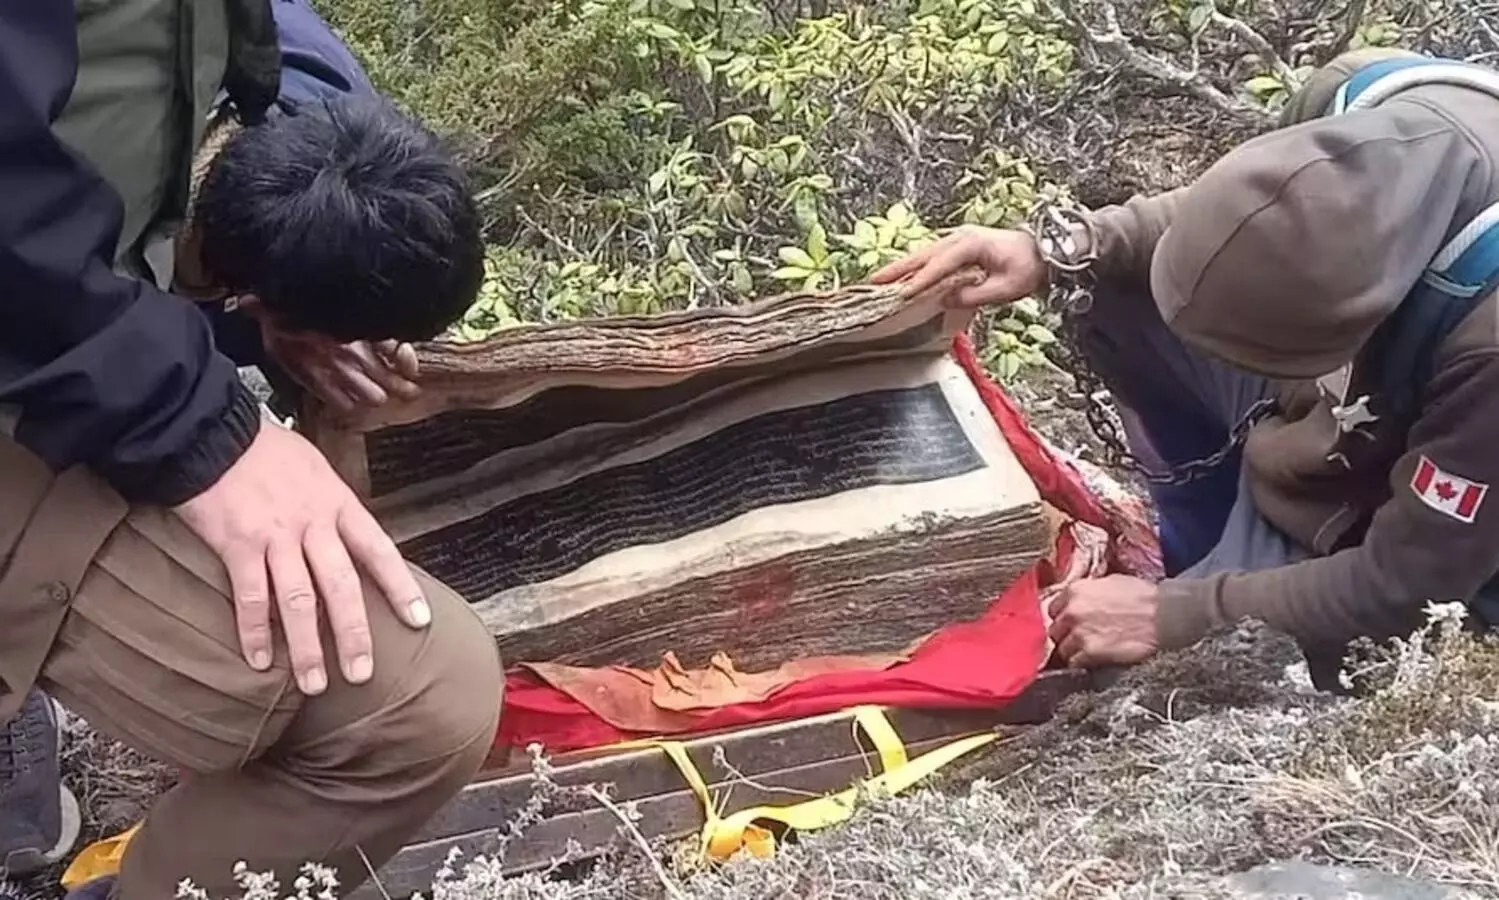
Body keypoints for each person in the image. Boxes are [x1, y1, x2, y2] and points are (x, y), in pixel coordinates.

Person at [0, 2, 502, 898]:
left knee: (421, 700)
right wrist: (201, 423)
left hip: (97, 322)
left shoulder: (316, 115)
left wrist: (312, 299)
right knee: (417, 702)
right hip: (50, 347)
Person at [872, 48, 1499, 689]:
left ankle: (1237, 562)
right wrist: (1064, 250)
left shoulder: (1489, 348)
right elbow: (1249, 215)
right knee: (1113, 284)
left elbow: (1407, 589)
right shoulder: (1365, 95)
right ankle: (1204, 540)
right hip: (1341, 414)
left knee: (1161, 676)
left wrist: (1175, 617)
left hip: (1437, 532)